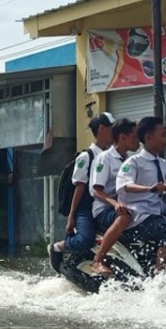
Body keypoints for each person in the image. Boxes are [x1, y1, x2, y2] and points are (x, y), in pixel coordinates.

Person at [48, 111, 116, 273]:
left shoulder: (112, 156)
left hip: (105, 204)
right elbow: (79, 188)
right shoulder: (86, 157)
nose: (116, 132)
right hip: (85, 206)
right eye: (112, 127)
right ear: (102, 129)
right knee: (85, 239)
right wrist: (72, 217)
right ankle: (57, 247)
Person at [116, 116, 166, 271]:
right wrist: (149, 189)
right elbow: (125, 185)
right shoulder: (133, 162)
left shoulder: (163, 164)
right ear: (148, 138)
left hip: (158, 214)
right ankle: (160, 277)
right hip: (140, 217)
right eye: (163, 135)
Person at [88, 117, 140, 276]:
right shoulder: (105, 158)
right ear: (123, 138)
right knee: (124, 217)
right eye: (135, 137)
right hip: (104, 210)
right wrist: (115, 204)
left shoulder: (132, 161)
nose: (139, 141)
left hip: (128, 207)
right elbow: (96, 190)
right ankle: (97, 261)